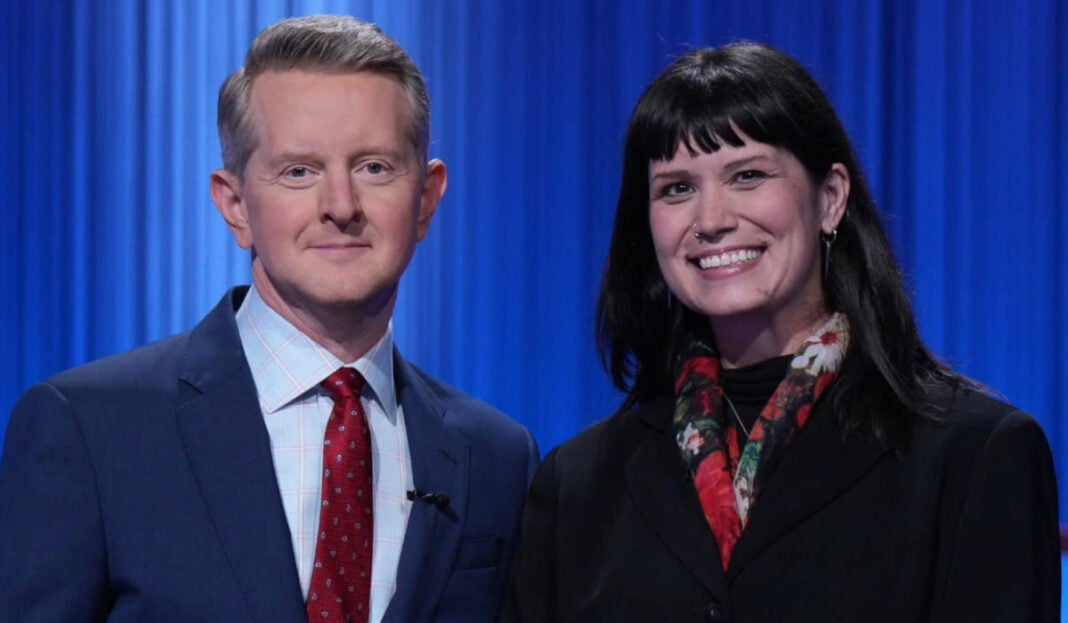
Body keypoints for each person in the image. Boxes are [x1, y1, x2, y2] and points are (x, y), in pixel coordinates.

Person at [0, 15, 538, 623]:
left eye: (375, 168)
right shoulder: (90, 430)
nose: (341, 207)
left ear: (427, 199)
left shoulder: (497, 457)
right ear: (235, 206)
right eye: (299, 172)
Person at [503, 42, 1059, 622]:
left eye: (748, 175)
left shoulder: (974, 455)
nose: (712, 219)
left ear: (831, 198)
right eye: (677, 188)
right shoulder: (577, 486)